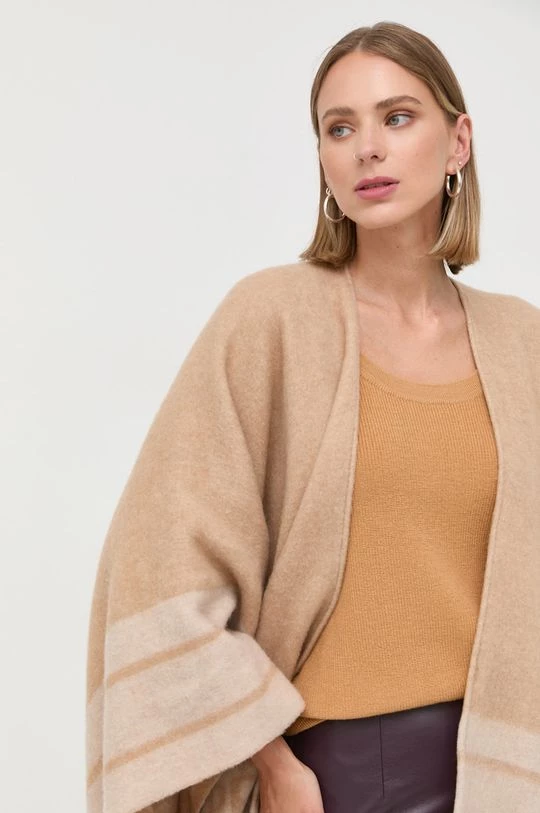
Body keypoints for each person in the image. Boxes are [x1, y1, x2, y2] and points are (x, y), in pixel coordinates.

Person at [86, 20, 540, 813]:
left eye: (398, 117)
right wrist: (275, 763)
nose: (369, 148)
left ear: (458, 142)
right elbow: (158, 566)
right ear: (324, 159)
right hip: (337, 777)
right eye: (340, 128)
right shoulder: (272, 319)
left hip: (503, 772)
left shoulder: (522, 342)